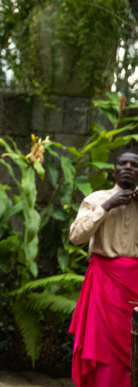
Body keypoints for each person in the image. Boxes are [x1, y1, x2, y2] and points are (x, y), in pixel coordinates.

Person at [69, 149, 138, 387]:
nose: (129, 167)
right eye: (123, 163)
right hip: (104, 284)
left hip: (135, 285)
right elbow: (76, 236)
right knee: (102, 348)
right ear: (114, 170)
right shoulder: (96, 199)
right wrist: (107, 207)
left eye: (134, 164)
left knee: (134, 348)